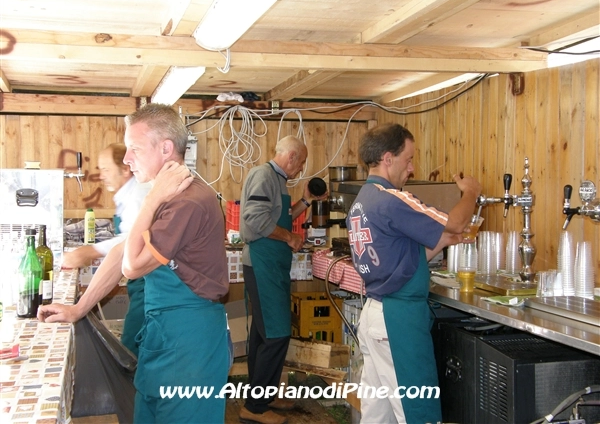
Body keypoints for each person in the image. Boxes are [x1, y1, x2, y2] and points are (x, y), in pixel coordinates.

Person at [346, 124, 481, 423]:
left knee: (378, 414)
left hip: (375, 314)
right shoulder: (392, 199)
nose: (412, 168)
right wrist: (471, 192)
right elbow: (457, 223)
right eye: (408, 160)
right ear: (388, 158)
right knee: (418, 412)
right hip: (399, 321)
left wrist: (443, 241)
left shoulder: (362, 200)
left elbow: (401, 258)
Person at [120, 103, 230, 423]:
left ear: (166, 149)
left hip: (189, 347)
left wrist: (151, 199)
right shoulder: (169, 197)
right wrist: (78, 309)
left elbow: (131, 266)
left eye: (135, 148)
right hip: (164, 337)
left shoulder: (186, 202)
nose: (127, 159)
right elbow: (122, 252)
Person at [239, 135, 328, 424]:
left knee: (262, 334)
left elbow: (282, 216)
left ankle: (263, 395)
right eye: (301, 163)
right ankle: (254, 409)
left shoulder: (277, 180)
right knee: (276, 334)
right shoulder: (263, 175)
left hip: (272, 265)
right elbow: (255, 219)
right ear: (291, 157)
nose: (301, 169)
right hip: (262, 263)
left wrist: (306, 200)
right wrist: (290, 237)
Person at [39, 143, 151, 356]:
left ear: (125, 169)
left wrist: (89, 251)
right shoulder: (126, 195)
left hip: (148, 284)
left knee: (130, 348)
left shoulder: (138, 195)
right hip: (139, 283)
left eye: (106, 169)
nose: (101, 176)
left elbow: (130, 242)